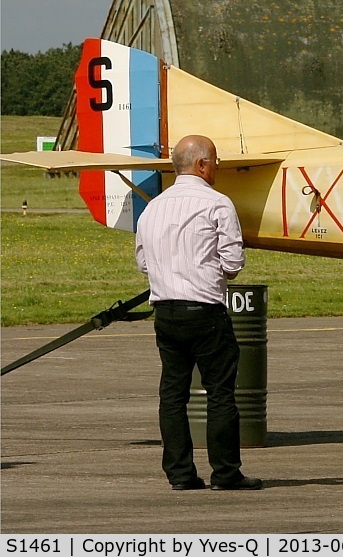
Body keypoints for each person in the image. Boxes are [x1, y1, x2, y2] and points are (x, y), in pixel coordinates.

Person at [135, 134, 262, 491]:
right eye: (215, 161)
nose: (217, 167)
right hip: (205, 309)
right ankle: (225, 471)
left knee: (172, 393)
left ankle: (179, 473)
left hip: (165, 311)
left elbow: (144, 261)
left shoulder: (153, 207)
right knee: (220, 392)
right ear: (202, 164)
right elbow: (234, 262)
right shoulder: (217, 204)